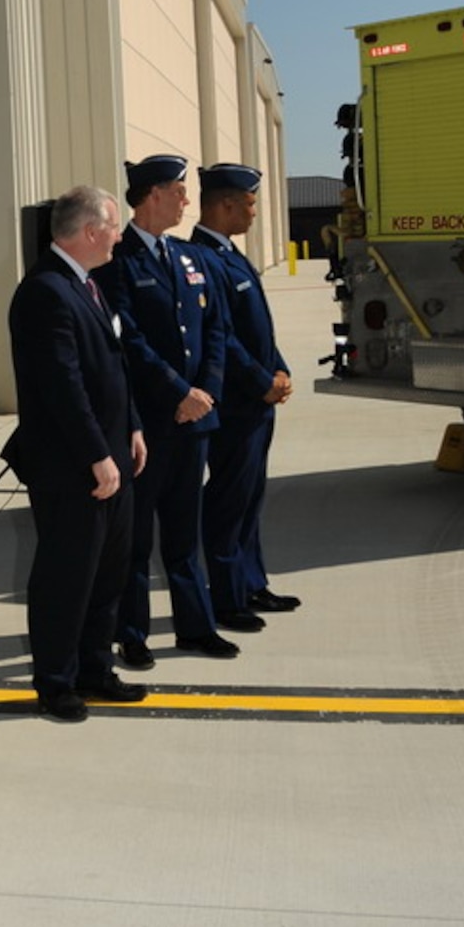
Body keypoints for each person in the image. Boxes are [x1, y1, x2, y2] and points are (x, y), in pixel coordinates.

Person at [4, 186, 148, 719]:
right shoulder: (46, 291)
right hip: (74, 467)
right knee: (67, 576)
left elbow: (112, 365)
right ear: (90, 232)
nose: (117, 235)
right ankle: (57, 681)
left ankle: (95, 667)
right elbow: (62, 385)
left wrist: (130, 427)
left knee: (107, 574)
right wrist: (96, 454)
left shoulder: (86, 284)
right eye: (112, 226)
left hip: (110, 456)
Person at [97, 154, 236, 666]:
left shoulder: (188, 257)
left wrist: (206, 392)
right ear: (152, 194)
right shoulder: (118, 260)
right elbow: (126, 339)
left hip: (195, 420)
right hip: (150, 423)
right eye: (179, 190)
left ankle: (195, 627)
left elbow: (216, 330)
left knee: (184, 533)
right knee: (136, 539)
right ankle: (130, 633)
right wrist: (178, 392)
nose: (185, 199)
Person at [190, 163, 299, 623]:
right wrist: (260, 382)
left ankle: (252, 584)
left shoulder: (230, 254)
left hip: (258, 400)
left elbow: (257, 330)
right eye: (250, 204)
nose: (255, 213)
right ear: (226, 204)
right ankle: (228, 596)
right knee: (229, 500)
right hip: (237, 403)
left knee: (251, 496)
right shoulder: (202, 259)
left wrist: (280, 370)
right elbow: (223, 338)